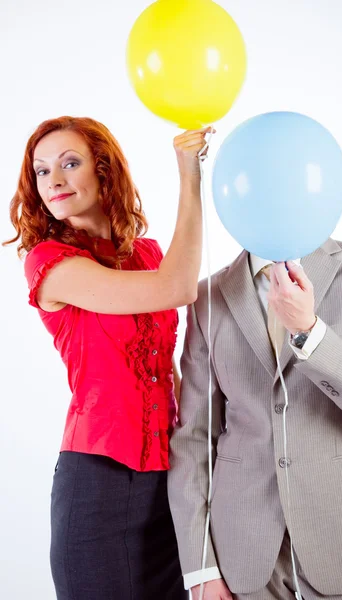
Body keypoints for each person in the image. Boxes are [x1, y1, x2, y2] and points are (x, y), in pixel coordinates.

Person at [3, 115, 213, 600]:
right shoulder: (48, 261)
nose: (53, 180)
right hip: (96, 481)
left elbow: (167, 370)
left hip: (167, 479)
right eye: (41, 171)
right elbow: (178, 286)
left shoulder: (147, 253)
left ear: (102, 169)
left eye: (69, 163)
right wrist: (189, 175)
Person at [168, 239, 342, 600]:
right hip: (243, 554)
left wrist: (310, 331)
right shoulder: (208, 296)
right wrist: (201, 567)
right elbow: (193, 439)